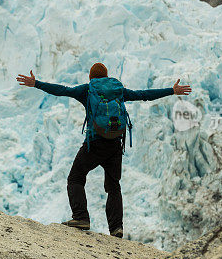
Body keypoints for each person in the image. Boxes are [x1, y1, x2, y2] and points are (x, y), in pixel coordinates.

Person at [16, 63, 192, 238]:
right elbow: (144, 95)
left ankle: (81, 217)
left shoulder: (87, 90)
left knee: (75, 178)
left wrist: (36, 83)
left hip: (95, 144)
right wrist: (172, 90)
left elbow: (63, 90)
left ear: (91, 77)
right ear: (107, 76)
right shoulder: (118, 90)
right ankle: (116, 228)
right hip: (115, 144)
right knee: (113, 187)